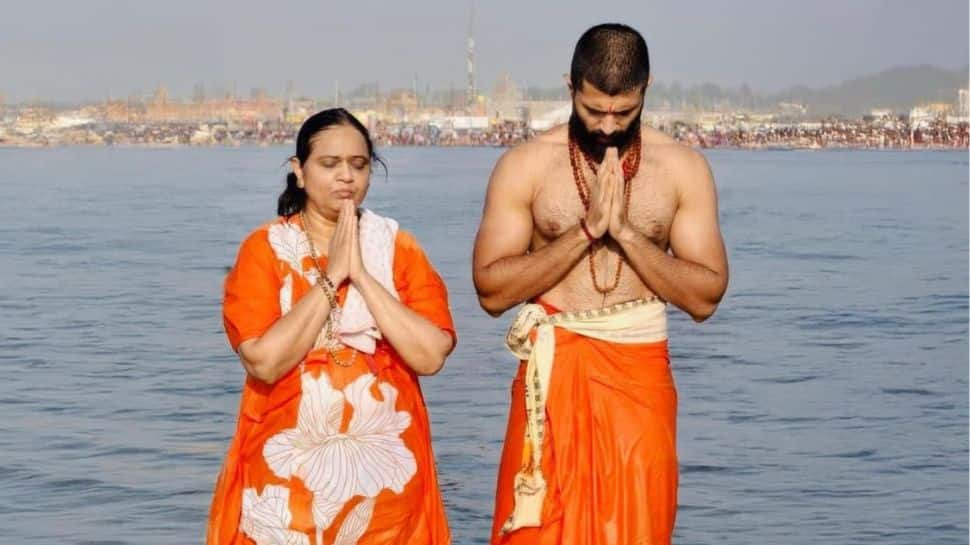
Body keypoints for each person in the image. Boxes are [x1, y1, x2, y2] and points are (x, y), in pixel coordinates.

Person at [472, 23, 729, 545]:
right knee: (535, 529)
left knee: (637, 529)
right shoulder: (525, 166)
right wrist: (586, 231)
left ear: (646, 89)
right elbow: (491, 292)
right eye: (594, 111)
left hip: (639, 381)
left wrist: (628, 235)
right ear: (570, 86)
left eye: (624, 112)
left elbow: (705, 298)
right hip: (553, 375)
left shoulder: (682, 168)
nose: (608, 126)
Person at [208, 108, 456, 545]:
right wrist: (332, 276)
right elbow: (263, 361)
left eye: (358, 165)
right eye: (329, 164)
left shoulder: (395, 247)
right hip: (287, 487)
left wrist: (360, 274)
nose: (346, 177)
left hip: (386, 485)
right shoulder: (264, 250)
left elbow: (431, 354)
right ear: (298, 172)